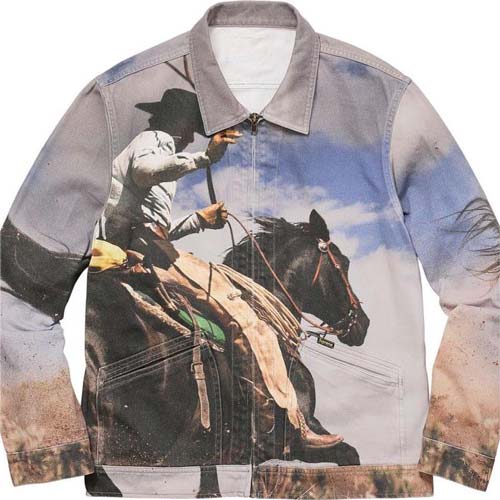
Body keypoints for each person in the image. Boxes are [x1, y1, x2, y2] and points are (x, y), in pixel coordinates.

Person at [93, 88, 343, 448]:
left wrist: (199, 219)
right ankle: (285, 424)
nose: (191, 136)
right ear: (180, 123)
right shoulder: (156, 141)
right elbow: (145, 173)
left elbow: (154, 223)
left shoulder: (153, 147)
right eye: (192, 128)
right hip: (151, 252)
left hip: (145, 245)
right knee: (247, 319)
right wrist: (204, 158)